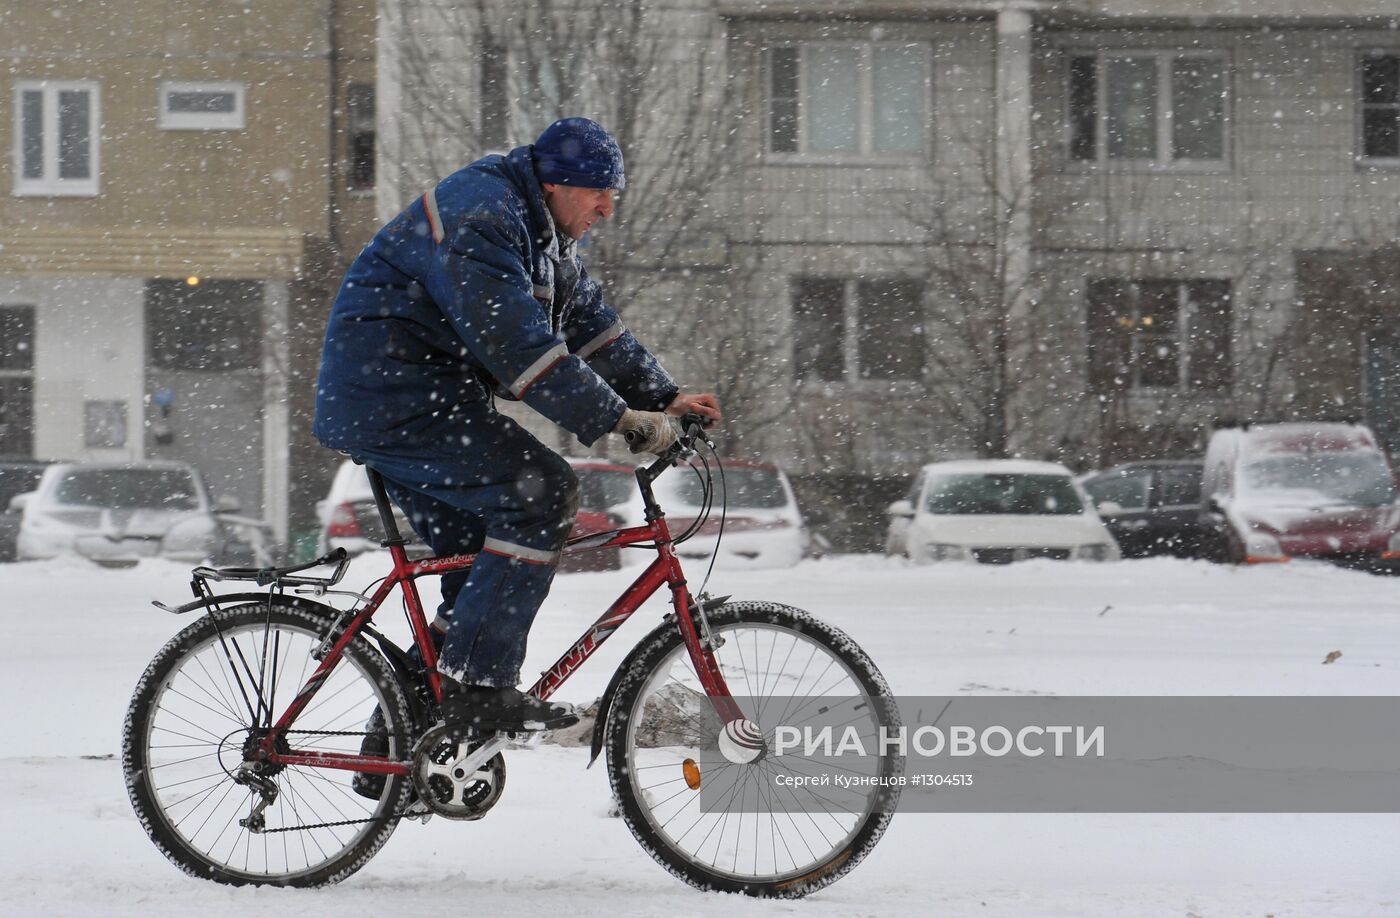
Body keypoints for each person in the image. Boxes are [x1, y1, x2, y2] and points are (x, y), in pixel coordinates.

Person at [313, 118, 720, 740]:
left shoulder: (538, 230)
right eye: (596, 192)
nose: (608, 209)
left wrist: (663, 396)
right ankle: (480, 690)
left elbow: (589, 323)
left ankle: (402, 744)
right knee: (542, 493)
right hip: (393, 399)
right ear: (555, 185)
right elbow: (522, 350)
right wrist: (620, 421)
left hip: (425, 397)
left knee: (480, 564)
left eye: (614, 192)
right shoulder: (484, 217)